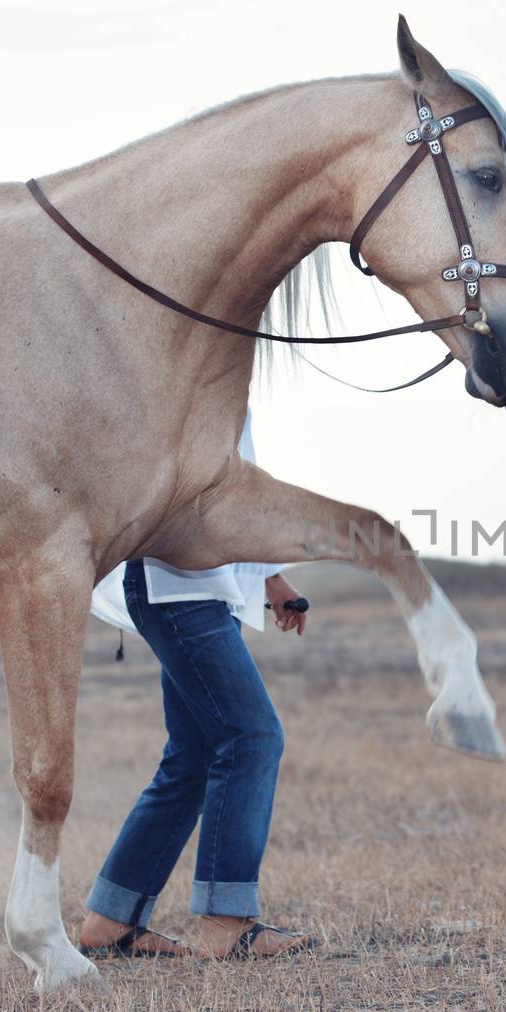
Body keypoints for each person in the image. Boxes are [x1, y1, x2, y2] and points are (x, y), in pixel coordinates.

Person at [75, 409, 314, 960]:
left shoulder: (219, 371)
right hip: (177, 583)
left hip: (199, 585)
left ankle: (110, 922)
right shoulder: (183, 366)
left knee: (194, 754)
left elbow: (235, 479)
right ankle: (227, 922)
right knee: (253, 737)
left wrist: (270, 576)